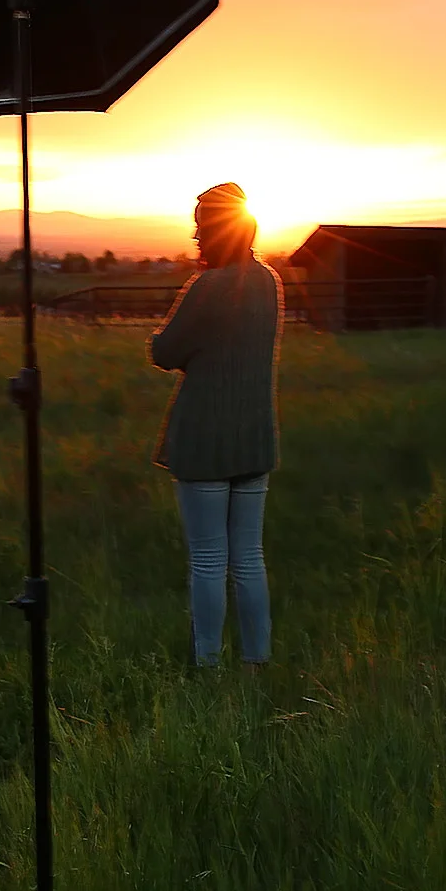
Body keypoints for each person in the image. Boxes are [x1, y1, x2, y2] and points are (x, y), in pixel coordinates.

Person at [149, 183, 284, 669]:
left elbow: (165, 352)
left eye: (201, 226)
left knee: (208, 560)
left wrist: (160, 338)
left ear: (215, 230)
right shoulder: (269, 281)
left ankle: (207, 664)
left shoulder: (207, 287)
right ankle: (256, 661)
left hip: (205, 441)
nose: (195, 236)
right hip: (254, 439)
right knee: (249, 558)